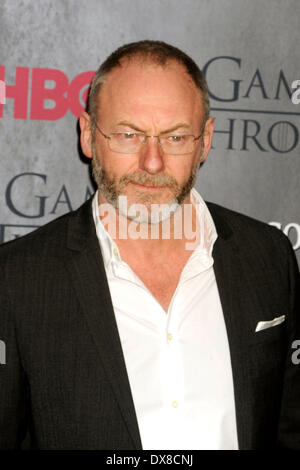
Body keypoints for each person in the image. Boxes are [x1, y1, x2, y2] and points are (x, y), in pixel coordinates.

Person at [0, 40, 299, 450]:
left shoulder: (267, 256)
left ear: (205, 141)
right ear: (88, 135)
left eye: (175, 137)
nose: (152, 162)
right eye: (128, 134)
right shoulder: (17, 279)